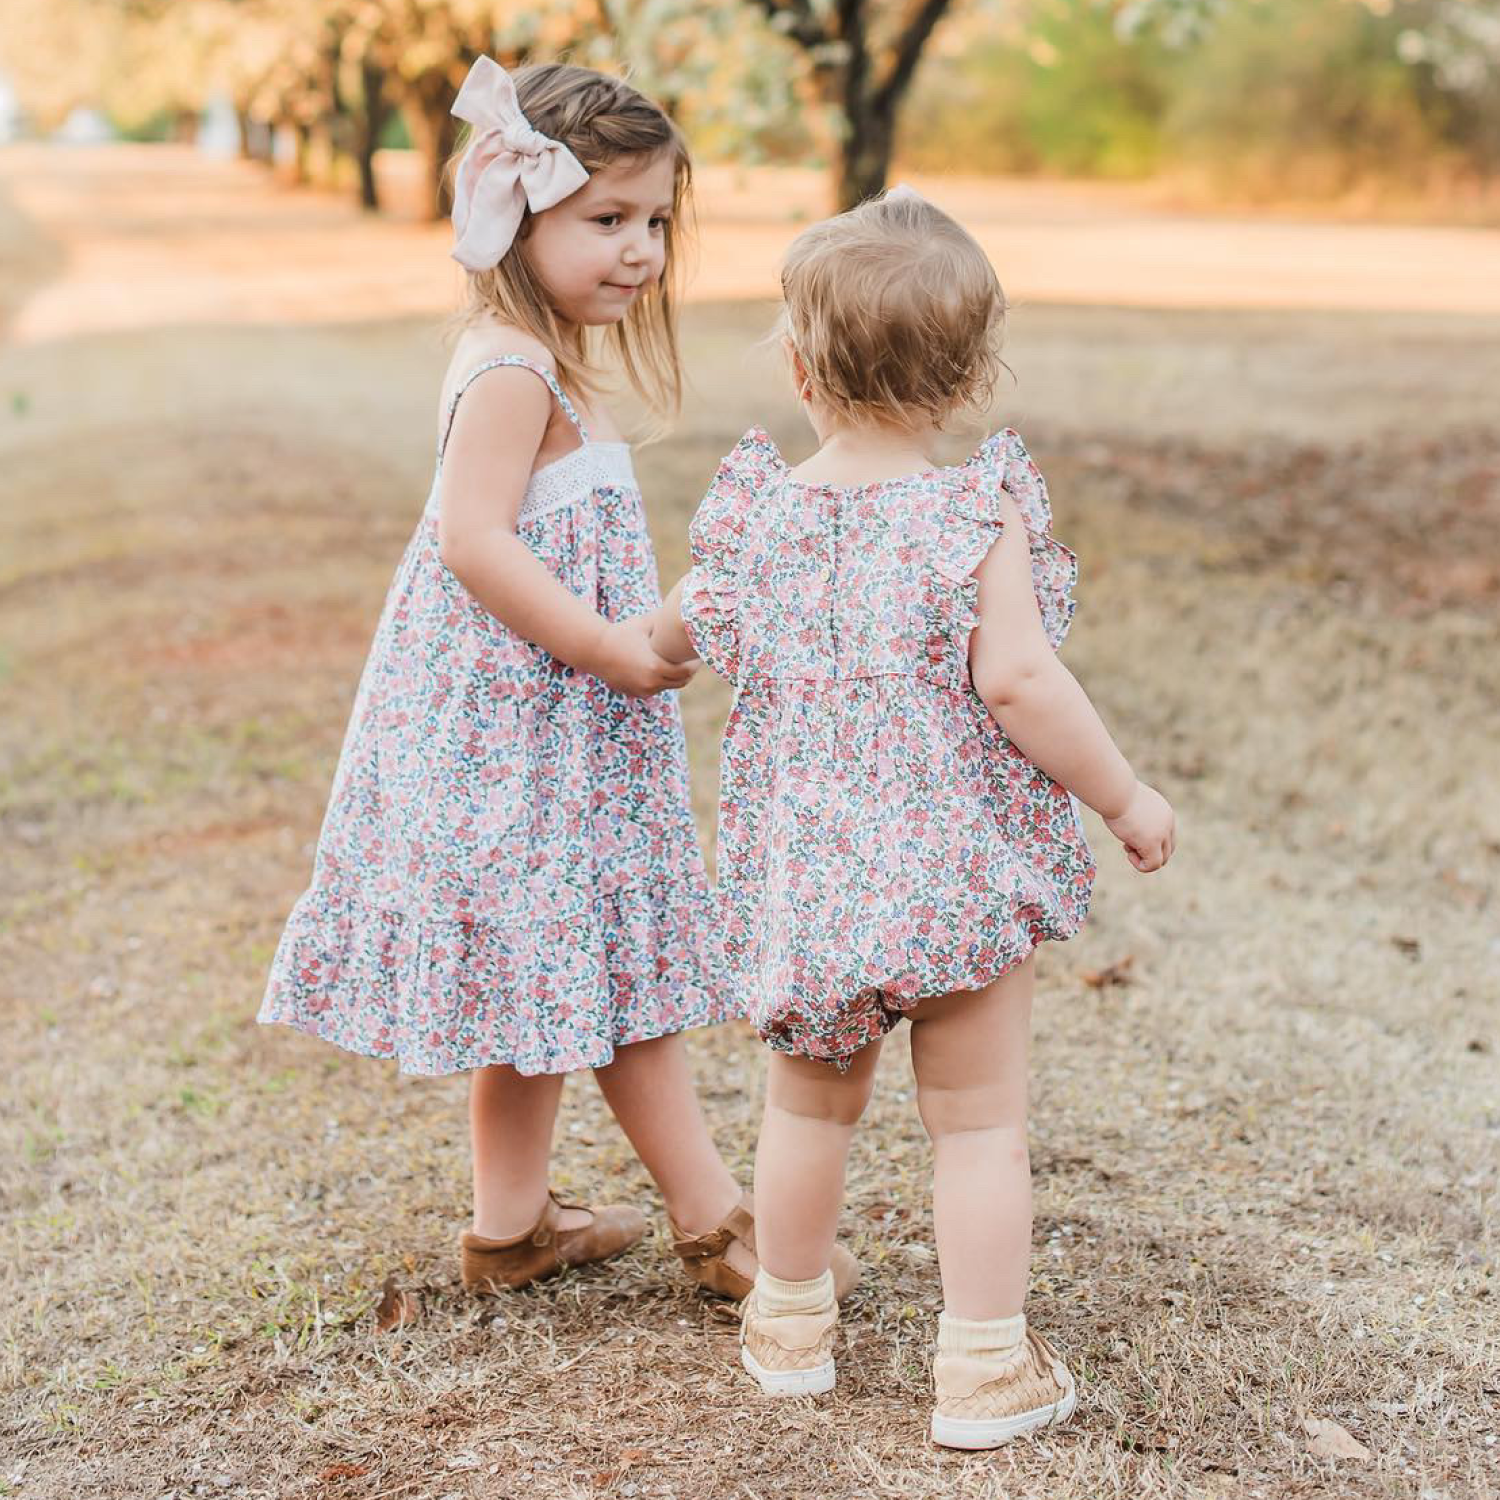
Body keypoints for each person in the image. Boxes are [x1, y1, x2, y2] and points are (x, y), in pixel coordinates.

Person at [259, 57, 856, 1304]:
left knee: (544, 970)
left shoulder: (534, 353)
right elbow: (472, 539)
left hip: (549, 724)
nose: (638, 252)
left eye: (652, 222)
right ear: (515, 217)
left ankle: (512, 1226)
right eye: (606, 220)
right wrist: (616, 646)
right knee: (614, 975)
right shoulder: (514, 372)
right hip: (523, 724)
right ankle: (718, 1226)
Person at [650, 186, 1175, 1448]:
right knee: (980, 1125)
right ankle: (984, 1367)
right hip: (952, 888)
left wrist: (637, 648)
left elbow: (678, 627)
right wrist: (1124, 795)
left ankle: (787, 1325)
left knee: (805, 1111)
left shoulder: (759, 516)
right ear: (968, 376)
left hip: (812, 890)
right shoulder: (969, 515)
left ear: (796, 364)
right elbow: (1021, 679)